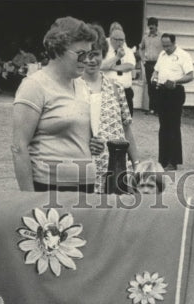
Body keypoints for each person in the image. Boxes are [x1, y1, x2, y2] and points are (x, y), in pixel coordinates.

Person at [12, 17, 99, 192]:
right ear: (58, 50)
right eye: (81, 54)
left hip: (85, 188)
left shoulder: (82, 85)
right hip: (50, 188)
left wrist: (92, 143)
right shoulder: (34, 86)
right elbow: (19, 147)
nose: (88, 60)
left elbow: (75, 135)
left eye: (90, 54)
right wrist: (30, 200)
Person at [81, 24, 139, 189]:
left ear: (103, 54)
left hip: (115, 168)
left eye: (96, 54)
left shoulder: (115, 87)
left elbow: (126, 129)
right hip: (84, 169)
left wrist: (137, 164)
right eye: (85, 55)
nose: (91, 60)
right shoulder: (72, 88)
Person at [150, 33, 194, 170]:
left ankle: (173, 161)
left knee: (173, 126)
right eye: (163, 45)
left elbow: (190, 76)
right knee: (163, 126)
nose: (166, 48)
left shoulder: (183, 55)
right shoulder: (162, 55)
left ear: (174, 43)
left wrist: (176, 81)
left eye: (168, 46)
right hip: (162, 91)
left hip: (175, 92)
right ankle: (162, 160)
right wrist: (154, 77)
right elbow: (156, 70)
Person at [102, 22, 137, 115]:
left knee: (126, 121)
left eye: (122, 39)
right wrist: (117, 57)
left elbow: (130, 66)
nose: (120, 42)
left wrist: (112, 67)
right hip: (109, 91)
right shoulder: (104, 48)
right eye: (117, 39)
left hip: (125, 91)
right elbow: (101, 66)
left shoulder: (127, 49)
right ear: (111, 37)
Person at [140, 17, 161, 114]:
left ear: (156, 26)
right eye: (149, 26)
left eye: (153, 25)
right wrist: (143, 59)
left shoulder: (161, 37)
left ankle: (158, 109)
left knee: (157, 85)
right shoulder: (145, 37)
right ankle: (151, 108)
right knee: (150, 86)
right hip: (148, 64)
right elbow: (141, 48)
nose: (151, 28)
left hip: (158, 64)